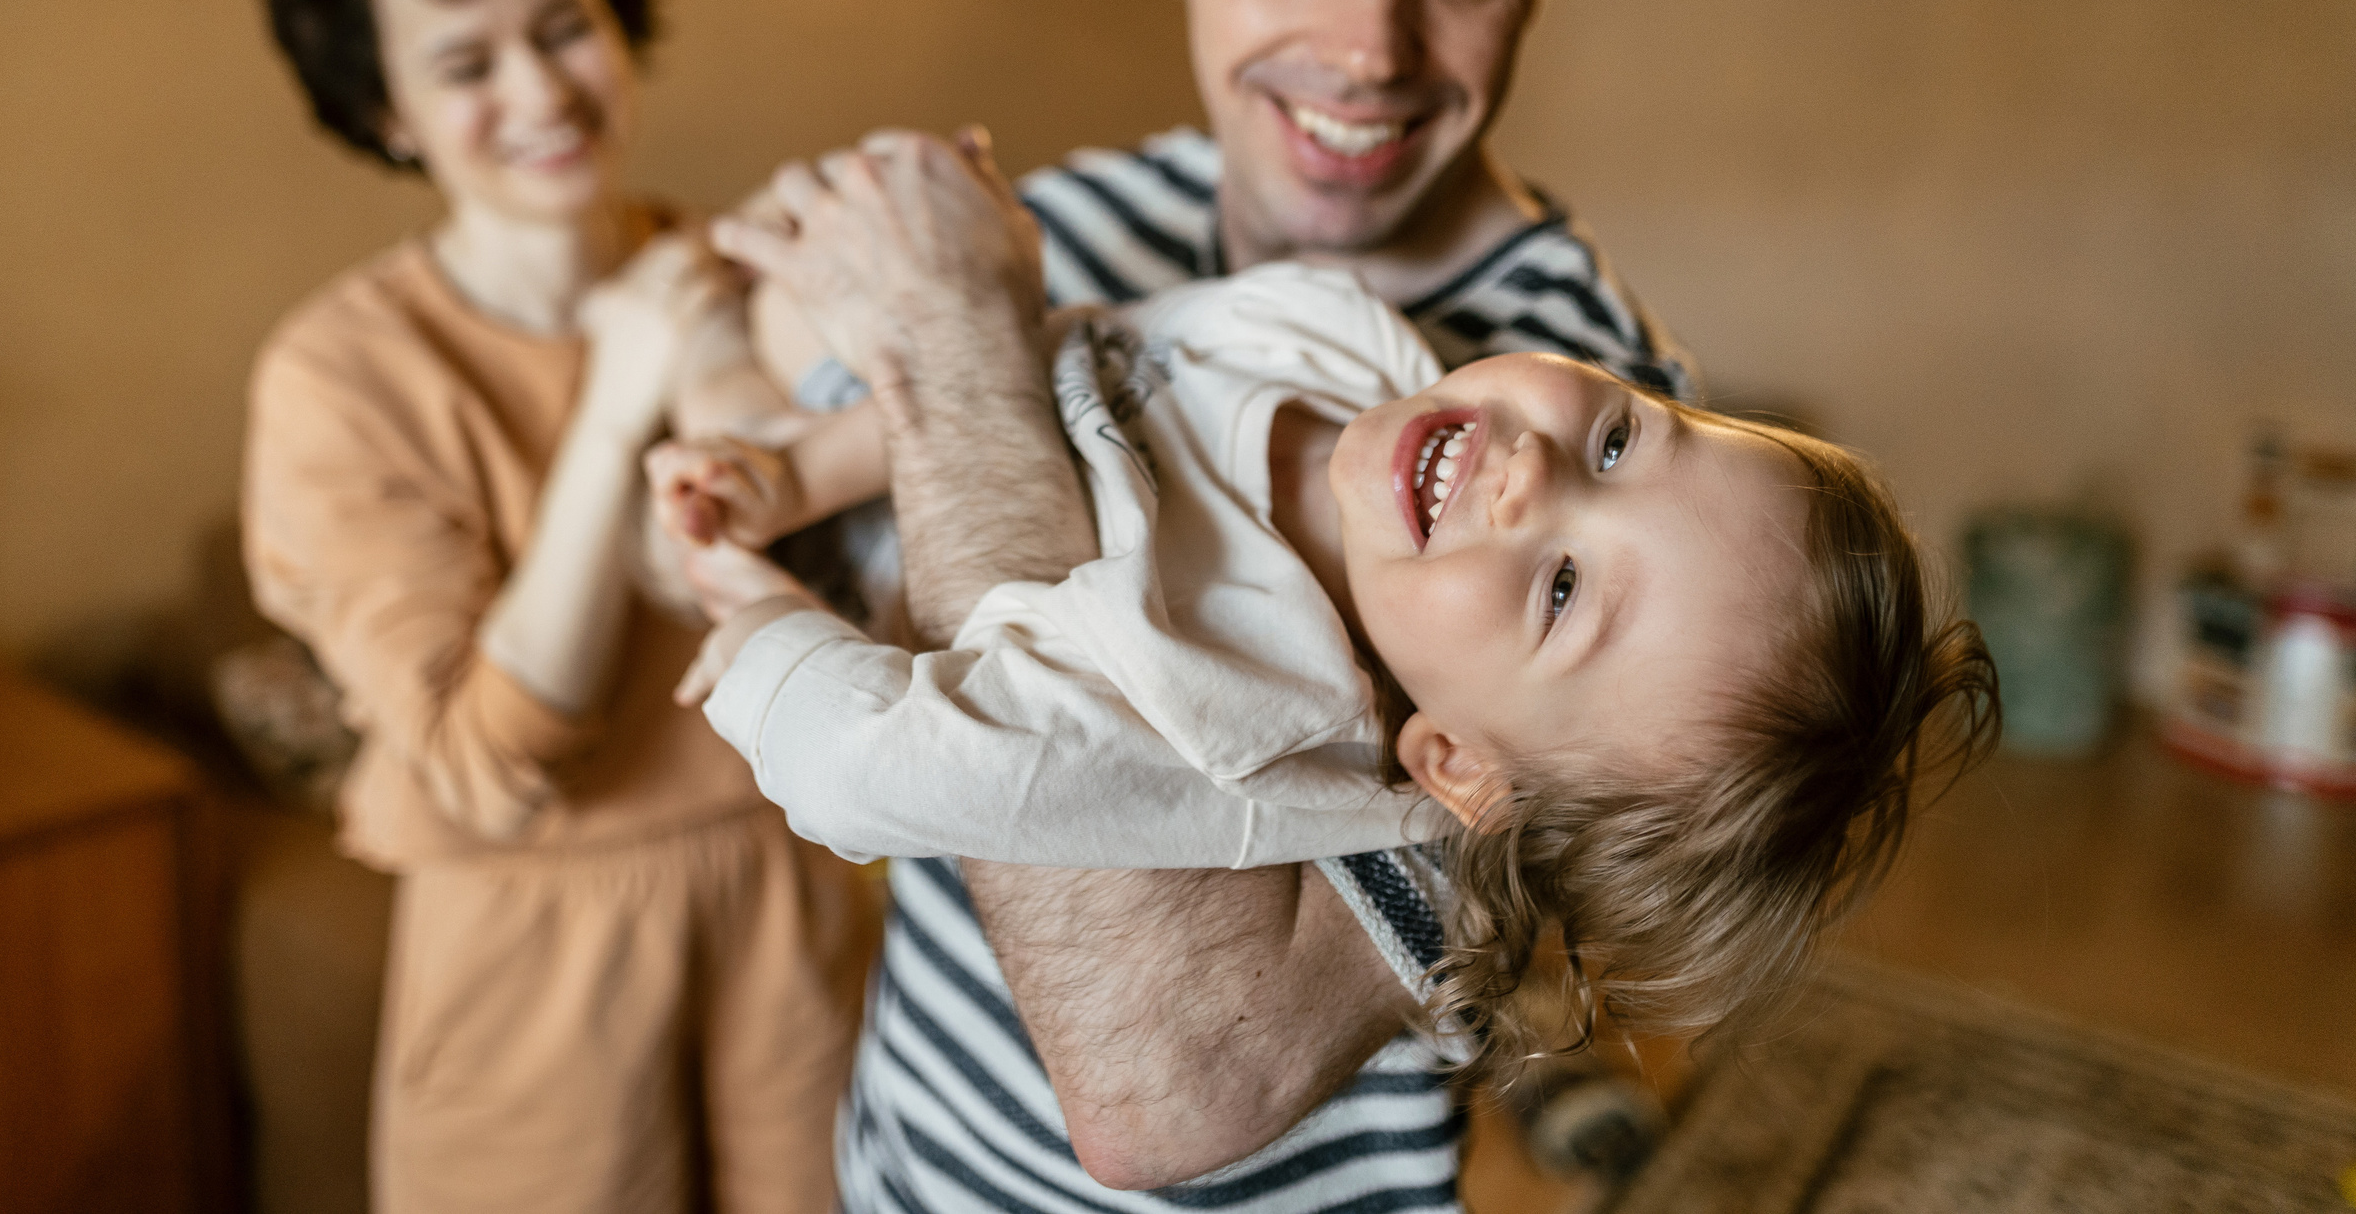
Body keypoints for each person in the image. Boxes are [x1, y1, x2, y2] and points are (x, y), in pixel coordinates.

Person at [679, 0, 1727, 1210]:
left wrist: (955, 357)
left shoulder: (1566, 468)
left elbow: (1171, 1079)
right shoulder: (1079, 219)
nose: (1369, 45)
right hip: (909, 1166)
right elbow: (764, 526)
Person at [659, 248, 1997, 1092]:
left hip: (798, 574)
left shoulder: (1231, 705)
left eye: (1564, 589)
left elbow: (866, 766)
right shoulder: (1340, 332)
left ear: (1454, 761)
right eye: (1620, 446)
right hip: (837, 440)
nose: (1530, 472)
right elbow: (1063, 357)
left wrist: (746, 605)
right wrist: (794, 465)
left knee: (687, 362)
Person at [239, 0, 872, 1214]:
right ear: (388, 112)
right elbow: (493, 750)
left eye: (562, 25)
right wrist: (617, 386)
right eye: (465, 62)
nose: (539, 88)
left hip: (797, 886)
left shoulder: (735, 262)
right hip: (534, 932)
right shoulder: (336, 373)